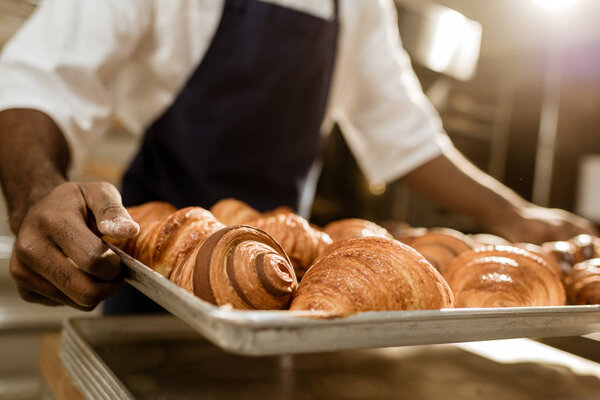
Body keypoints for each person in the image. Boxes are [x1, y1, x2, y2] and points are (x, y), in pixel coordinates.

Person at [0, 0, 596, 313]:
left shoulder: (356, 5)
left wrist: (513, 215)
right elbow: (37, 83)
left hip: (292, 283)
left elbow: (404, 135)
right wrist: (33, 196)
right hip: (160, 275)